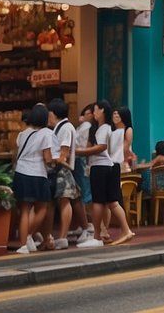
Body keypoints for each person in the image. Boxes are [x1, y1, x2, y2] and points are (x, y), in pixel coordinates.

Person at [78, 100, 134, 248]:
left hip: (101, 166)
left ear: (102, 111)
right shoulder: (110, 129)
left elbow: (101, 147)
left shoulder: (104, 129)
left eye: (95, 110)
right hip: (109, 166)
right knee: (112, 202)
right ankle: (124, 230)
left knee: (98, 201)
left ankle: (97, 236)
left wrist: (78, 151)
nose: (93, 113)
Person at [12, 104, 54, 254]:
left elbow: (16, 153)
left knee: (24, 210)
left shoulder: (22, 134)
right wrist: (56, 161)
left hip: (21, 173)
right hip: (37, 173)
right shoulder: (46, 134)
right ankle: (29, 234)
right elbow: (47, 158)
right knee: (42, 207)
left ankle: (23, 245)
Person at [46, 98, 80, 250]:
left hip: (62, 169)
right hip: (59, 169)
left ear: (54, 113)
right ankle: (58, 236)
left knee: (64, 201)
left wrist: (52, 159)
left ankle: (63, 237)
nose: (48, 116)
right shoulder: (61, 127)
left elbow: (63, 153)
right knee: (60, 202)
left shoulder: (65, 128)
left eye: (49, 113)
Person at [71, 103, 94, 244]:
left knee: (84, 193)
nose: (83, 116)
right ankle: (84, 224)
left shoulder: (87, 127)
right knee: (83, 192)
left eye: (86, 113)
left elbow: (84, 146)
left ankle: (87, 225)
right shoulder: (83, 127)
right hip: (81, 161)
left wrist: (75, 151)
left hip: (81, 161)